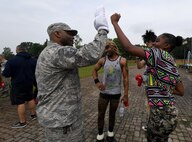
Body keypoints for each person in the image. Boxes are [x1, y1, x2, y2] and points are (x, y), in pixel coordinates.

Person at [35, 6, 109, 142]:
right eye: (69, 33)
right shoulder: (55, 52)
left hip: (62, 119)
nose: (73, 36)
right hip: (62, 122)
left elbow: (82, 58)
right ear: (57, 34)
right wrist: (102, 29)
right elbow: (87, 55)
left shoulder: (53, 53)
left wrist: (103, 50)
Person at [111, 13, 184, 142]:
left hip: (160, 115)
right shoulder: (171, 61)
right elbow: (181, 91)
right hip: (170, 114)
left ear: (166, 46)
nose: (154, 44)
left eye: (157, 41)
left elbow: (128, 47)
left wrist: (115, 23)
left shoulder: (158, 54)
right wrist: (162, 89)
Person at [92, 40, 129, 142]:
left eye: (108, 47)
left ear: (114, 47)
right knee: (101, 114)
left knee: (112, 114)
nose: (106, 49)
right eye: (105, 47)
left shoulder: (122, 61)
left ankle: (110, 135)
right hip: (104, 94)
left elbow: (126, 78)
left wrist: (126, 94)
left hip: (116, 94)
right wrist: (97, 82)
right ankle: (100, 136)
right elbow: (94, 70)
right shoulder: (103, 60)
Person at [2, 45, 37, 128]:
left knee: (20, 102)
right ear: (25, 50)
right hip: (29, 83)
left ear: (17, 50)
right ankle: (33, 115)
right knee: (30, 98)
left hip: (18, 84)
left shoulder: (12, 61)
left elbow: (6, 74)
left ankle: (22, 122)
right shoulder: (32, 60)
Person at [136, 30, 157, 132]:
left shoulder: (155, 53)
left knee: (152, 104)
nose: (146, 45)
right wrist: (138, 57)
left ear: (151, 41)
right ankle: (152, 124)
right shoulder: (150, 54)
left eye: (146, 43)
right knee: (151, 104)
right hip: (150, 83)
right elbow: (140, 66)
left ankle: (152, 126)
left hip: (154, 84)